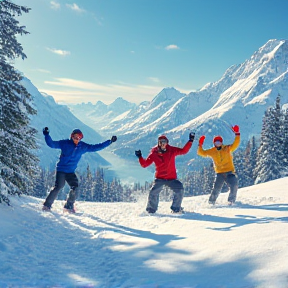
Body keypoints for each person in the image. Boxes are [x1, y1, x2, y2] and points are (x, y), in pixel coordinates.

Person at [42, 127, 117, 212]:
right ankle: (47, 205)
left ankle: (68, 206)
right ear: (71, 136)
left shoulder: (83, 147)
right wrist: (46, 135)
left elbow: (96, 147)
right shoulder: (65, 143)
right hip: (61, 170)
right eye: (75, 137)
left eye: (78, 137)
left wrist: (109, 142)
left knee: (75, 187)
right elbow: (51, 144)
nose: (76, 139)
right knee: (59, 186)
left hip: (70, 172)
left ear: (81, 138)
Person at [135, 132, 195, 214]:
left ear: (167, 142)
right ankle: (151, 210)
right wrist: (140, 157)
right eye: (161, 142)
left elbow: (184, 151)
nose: (163, 144)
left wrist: (190, 141)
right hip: (160, 178)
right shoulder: (154, 154)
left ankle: (176, 209)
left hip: (171, 178)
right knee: (153, 192)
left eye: (164, 142)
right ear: (158, 143)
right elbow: (145, 164)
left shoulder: (172, 150)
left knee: (179, 189)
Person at [197, 125, 240, 205]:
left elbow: (236, 144)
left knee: (234, 185)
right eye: (216, 142)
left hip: (229, 172)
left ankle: (231, 202)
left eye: (219, 142)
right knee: (216, 189)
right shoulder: (212, 151)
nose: (218, 144)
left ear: (221, 142)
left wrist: (237, 134)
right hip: (220, 173)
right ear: (214, 143)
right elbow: (201, 153)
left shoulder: (227, 148)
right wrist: (200, 145)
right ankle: (211, 202)